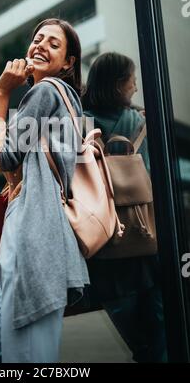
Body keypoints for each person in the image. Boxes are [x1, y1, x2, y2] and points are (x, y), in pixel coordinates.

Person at [0, 18, 90, 363]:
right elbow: (6, 163)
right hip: (24, 250)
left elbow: (4, 157)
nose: (41, 45)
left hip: (34, 247)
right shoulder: (60, 102)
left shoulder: (44, 92)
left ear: (69, 62)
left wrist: (1, 93)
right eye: (38, 39)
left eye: (54, 44)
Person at [82, 52, 167, 363]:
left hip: (106, 254)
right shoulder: (141, 122)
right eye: (132, 79)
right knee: (164, 339)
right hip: (150, 245)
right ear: (119, 85)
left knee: (143, 346)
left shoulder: (79, 123)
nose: (135, 86)